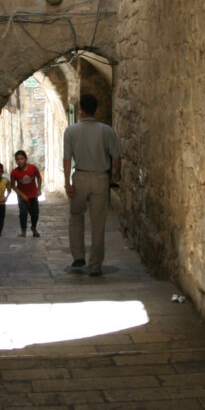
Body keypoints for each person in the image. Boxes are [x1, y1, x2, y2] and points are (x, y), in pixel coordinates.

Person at [63, 92, 122, 276]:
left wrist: (67, 183)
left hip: (80, 177)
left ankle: (78, 256)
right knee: (98, 223)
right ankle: (95, 265)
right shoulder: (106, 131)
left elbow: (67, 159)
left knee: (76, 216)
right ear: (97, 110)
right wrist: (116, 173)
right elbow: (117, 156)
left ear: (80, 111)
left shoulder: (71, 131)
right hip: (100, 179)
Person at [10, 149, 43, 237]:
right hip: (22, 196)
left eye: (22, 159)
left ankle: (34, 228)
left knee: (35, 213)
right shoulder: (14, 172)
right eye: (17, 159)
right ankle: (23, 231)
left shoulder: (33, 168)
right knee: (23, 212)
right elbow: (13, 185)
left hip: (33, 195)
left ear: (26, 159)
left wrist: (39, 189)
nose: (20, 161)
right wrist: (21, 195)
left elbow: (39, 178)